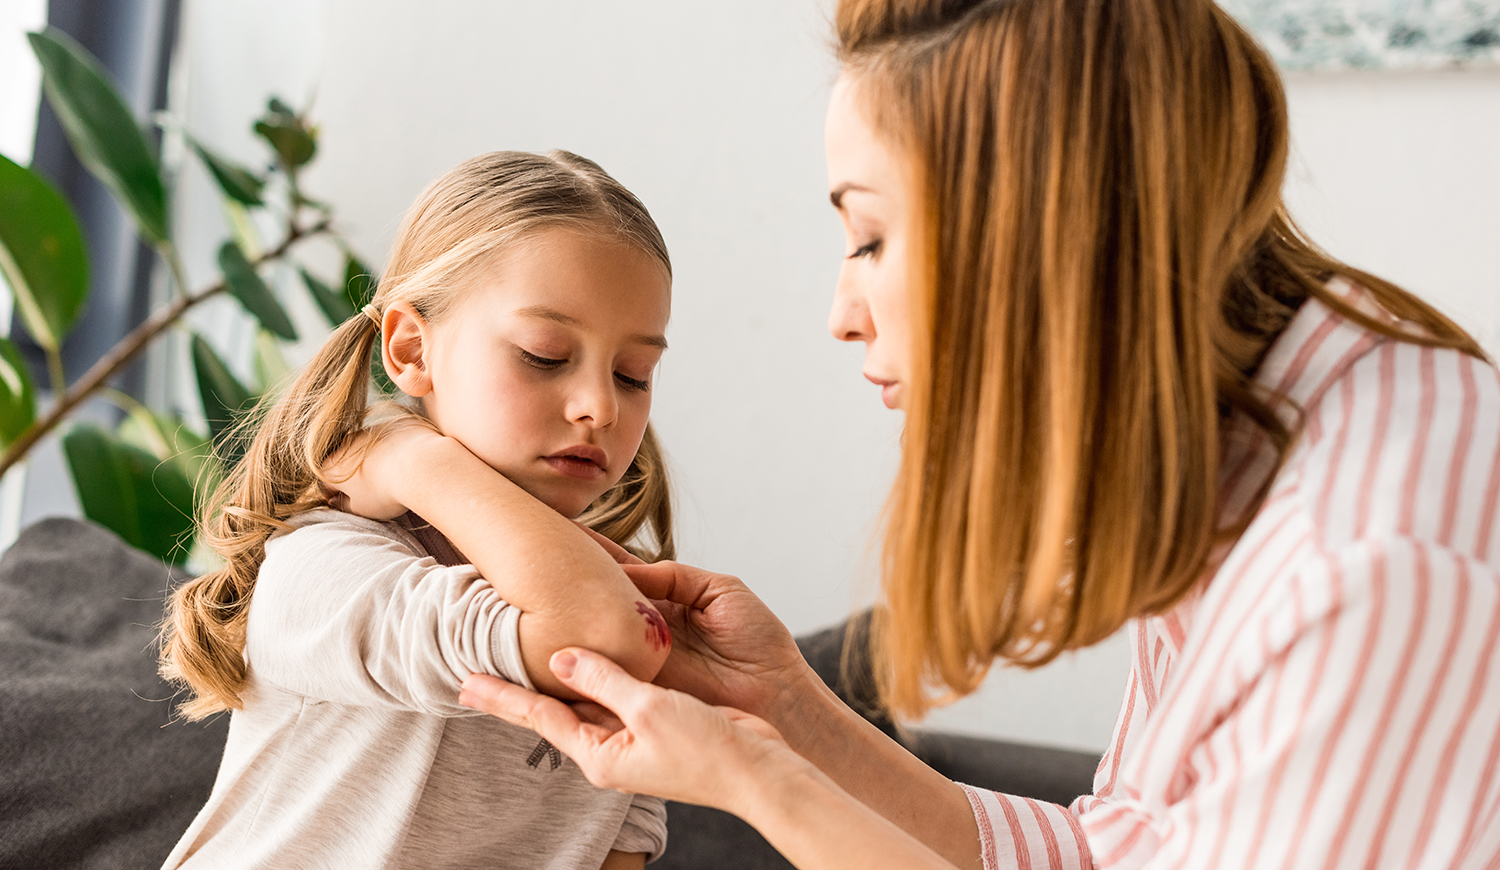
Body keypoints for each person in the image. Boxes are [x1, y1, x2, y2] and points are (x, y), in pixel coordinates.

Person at [458, 1, 1500, 868]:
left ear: (1035, 238)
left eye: (868, 236)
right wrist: (785, 709)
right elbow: (1116, 850)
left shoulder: (1361, 566)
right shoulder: (1250, 457)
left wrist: (754, 781)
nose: (842, 311)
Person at [158, 150, 679, 869]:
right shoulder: (325, 564)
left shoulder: (629, 607)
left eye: (633, 374)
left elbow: (614, 849)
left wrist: (406, 456)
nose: (600, 406)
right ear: (410, 349)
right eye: (544, 354)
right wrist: (412, 458)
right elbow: (595, 632)